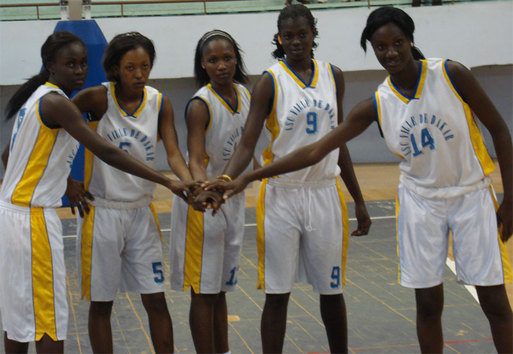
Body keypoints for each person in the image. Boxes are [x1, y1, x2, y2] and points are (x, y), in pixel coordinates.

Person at [209, 6, 513, 353]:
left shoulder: (450, 74)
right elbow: (315, 150)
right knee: (427, 305)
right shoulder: (376, 103)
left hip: (469, 196)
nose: (390, 52)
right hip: (417, 203)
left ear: (410, 40)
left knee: (493, 300)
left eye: (397, 43)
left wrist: (512, 199)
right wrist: (244, 178)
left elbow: (501, 130)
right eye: (381, 46)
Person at [0, 31, 190, 354]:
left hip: (16, 215)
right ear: (50, 66)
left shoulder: (40, 99)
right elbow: (109, 153)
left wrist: (64, 183)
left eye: (83, 63)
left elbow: (8, 155)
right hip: (41, 219)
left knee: (19, 318)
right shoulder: (61, 103)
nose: (79, 70)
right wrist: (167, 182)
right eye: (70, 64)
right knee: (50, 321)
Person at [205, 5, 371, 353]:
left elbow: (340, 142)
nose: (296, 41)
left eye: (302, 34)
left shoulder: (333, 75)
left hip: (325, 193)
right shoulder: (270, 80)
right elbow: (247, 142)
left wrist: (357, 198)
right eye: (288, 36)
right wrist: (225, 178)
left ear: (313, 33)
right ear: (279, 38)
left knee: (332, 290)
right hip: (282, 195)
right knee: (277, 293)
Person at [70, 32, 193, 354]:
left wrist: (189, 182)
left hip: (142, 213)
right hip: (103, 212)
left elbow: (175, 153)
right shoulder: (97, 98)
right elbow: (53, 128)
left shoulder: (159, 101)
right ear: (115, 68)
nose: (139, 74)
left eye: (145, 66)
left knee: (155, 298)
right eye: (130, 68)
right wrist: (66, 181)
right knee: (102, 304)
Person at [168, 29, 251, 354]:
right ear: (202, 64)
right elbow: (195, 157)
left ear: (236, 59)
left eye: (227, 58)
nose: (221, 65)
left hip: (231, 199)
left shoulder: (245, 95)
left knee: (220, 290)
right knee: (203, 292)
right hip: (205, 204)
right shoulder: (200, 105)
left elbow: (248, 150)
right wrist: (206, 190)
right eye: (213, 60)